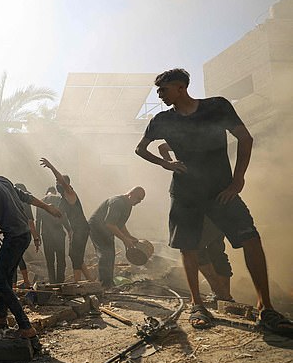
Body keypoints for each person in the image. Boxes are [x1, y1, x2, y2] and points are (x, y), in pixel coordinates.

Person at [135, 68, 292, 334]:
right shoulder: (161, 120)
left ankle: (266, 309)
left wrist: (238, 180)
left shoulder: (217, 107)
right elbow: (140, 149)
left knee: (250, 238)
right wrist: (166, 164)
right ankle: (197, 305)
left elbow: (245, 138)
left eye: (163, 90)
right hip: (185, 194)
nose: (159, 95)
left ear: (180, 87)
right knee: (188, 246)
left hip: (221, 191)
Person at [0, 153, 61, 340]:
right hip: (24, 235)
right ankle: (1, 317)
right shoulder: (3, 180)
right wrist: (47, 207)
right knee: (7, 277)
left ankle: (25, 326)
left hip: (15, 237)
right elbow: (26, 197)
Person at [159, 142, 233, 301]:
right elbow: (162, 147)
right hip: (191, 203)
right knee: (197, 248)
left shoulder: (214, 143)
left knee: (213, 249)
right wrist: (170, 163)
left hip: (213, 203)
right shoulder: (186, 141)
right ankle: (220, 293)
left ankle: (223, 294)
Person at [40, 158, 92, 282]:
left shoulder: (70, 192)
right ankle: (90, 280)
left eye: (58, 181)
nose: (57, 184)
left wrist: (51, 167)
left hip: (82, 228)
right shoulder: (63, 200)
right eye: (56, 181)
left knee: (76, 256)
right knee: (74, 255)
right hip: (75, 229)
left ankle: (77, 283)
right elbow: (59, 215)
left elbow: (62, 180)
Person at [88, 187, 146, 288]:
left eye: (141, 200)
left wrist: (129, 237)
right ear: (131, 194)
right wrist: (124, 239)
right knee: (105, 255)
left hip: (106, 230)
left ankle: (109, 282)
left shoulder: (128, 205)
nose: (139, 202)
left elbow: (120, 224)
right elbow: (110, 224)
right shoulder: (117, 202)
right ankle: (104, 285)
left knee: (111, 255)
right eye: (138, 198)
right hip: (97, 229)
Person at [36, 187, 72, 283]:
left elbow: (38, 221)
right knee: (60, 259)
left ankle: (52, 282)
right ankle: (60, 281)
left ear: (46, 192)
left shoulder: (40, 202)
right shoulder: (59, 199)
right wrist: (69, 230)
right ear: (55, 192)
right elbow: (63, 217)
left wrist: (37, 236)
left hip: (46, 235)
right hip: (59, 234)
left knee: (49, 260)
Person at [14, 183, 41, 289]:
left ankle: (17, 284)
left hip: (15, 234)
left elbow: (30, 222)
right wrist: (35, 238)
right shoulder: (25, 203)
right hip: (24, 235)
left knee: (16, 259)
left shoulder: (13, 202)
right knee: (18, 258)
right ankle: (25, 282)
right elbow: (31, 222)